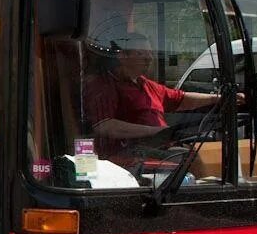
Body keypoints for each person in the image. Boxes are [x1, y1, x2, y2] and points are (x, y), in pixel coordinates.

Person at [84, 32, 234, 164]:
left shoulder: (146, 84)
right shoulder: (104, 85)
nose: (149, 58)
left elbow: (181, 99)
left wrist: (218, 98)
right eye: (141, 53)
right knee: (190, 159)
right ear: (122, 56)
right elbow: (104, 126)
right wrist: (156, 131)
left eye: (150, 53)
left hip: (156, 150)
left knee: (212, 152)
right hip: (128, 158)